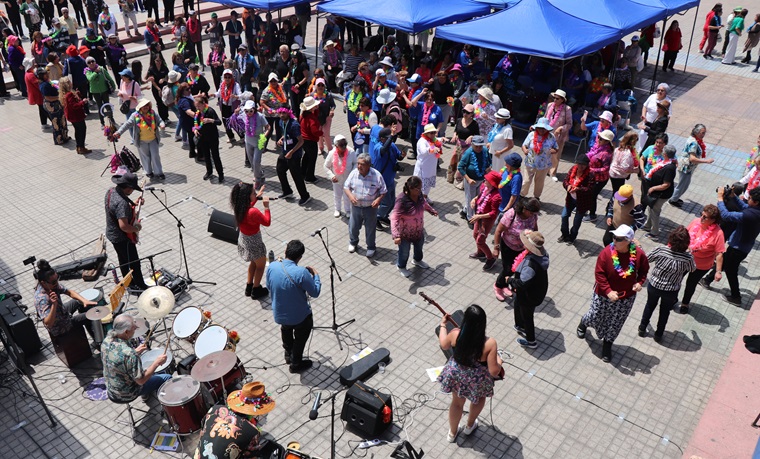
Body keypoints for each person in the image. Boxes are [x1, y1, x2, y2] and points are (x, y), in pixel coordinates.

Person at [577, 225, 649, 363]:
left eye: (619, 239)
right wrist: (608, 291)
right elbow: (599, 273)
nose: (614, 241)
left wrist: (640, 282)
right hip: (603, 294)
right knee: (595, 315)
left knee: (616, 322)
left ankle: (607, 345)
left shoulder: (639, 255)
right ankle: (583, 323)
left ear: (628, 241)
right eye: (614, 237)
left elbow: (644, 271)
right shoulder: (606, 253)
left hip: (626, 297)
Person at [437, 304, 503, 443]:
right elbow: (494, 370)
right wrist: (499, 361)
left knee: (456, 403)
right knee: (478, 399)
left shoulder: (456, 333)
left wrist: (443, 325)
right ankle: (469, 425)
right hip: (477, 379)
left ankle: (452, 433)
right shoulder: (489, 344)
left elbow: (444, 344)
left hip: (457, 374)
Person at [266, 239, 321, 373]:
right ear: (300, 257)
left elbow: (269, 286)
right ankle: (295, 363)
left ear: (285, 251)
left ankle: (288, 354)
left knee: (286, 329)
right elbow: (315, 292)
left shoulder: (272, 266)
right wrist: (316, 275)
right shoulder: (302, 272)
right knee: (302, 334)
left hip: (279, 314)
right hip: (299, 317)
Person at [702, 187, 760, 305]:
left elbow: (726, 215)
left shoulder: (750, 215)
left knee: (731, 270)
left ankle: (736, 297)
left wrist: (720, 199)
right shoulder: (756, 210)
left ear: (756, 202)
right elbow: (745, 207)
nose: (747, 199)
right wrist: (733, 196)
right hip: (743, 246)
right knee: (724, 262)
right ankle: (707, 280)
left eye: (749, 198)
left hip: (738, 248)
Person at [194, 382, 283, 458]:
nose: (265, 416)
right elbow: (252, 456)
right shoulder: (252, 431)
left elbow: (203, 431)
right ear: (255, 412)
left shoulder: (215, 409)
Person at [637, 226, 695, 342]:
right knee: (664, 311)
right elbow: (692, 269)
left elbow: (645, 258)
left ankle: (642, 327)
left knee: (650, 305)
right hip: (671, 290)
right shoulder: (687, 258)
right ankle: (659, 334)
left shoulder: (661, 250)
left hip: (654, 285)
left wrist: (639, 246)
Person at [101, 314, 170, 402]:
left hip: (112, 388)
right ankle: (167, 405)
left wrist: (136, 351)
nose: (136, 328)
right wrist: (157, 363)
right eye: (134, 328)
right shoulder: (130, 355)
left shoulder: (106, 341)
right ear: (126, 332)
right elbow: (140, 381)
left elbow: (118, 358)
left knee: (144, 369)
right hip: (126, 394)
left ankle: (146, 394)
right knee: (166, 377)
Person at [105, 172, 150, 291]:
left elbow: (117, 210)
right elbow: (124, 226)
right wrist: (136, 228)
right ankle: (141, 286)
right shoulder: (122, 203)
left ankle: (128, 282)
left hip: (112, 234)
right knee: (134, 262)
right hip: (122, 238)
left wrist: (133, 204)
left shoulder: (111, 191)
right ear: (128, 187)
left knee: (123, 260)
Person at [34, 259, 96, 341]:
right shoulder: (42, 299)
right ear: (43, 283)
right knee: (91, 315)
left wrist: (84, 300)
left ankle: (82, 312)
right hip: (60, 326)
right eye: (53, 282)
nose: (56, 283)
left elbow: (69, 292)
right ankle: (97, 341)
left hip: (62, 312)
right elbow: (48, 323)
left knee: (79, 301)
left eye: (57, 279)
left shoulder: (52, 285)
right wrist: (54, 305)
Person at [492, 198, 540, 301]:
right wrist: (496, 248)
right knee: (508, 269)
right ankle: (498, 286)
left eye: (534, 213)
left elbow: (535, 228)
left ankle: (505, 285)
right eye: (531, 212)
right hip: (508, 246)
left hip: (523, 248)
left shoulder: (533, 216)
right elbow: (498, 231)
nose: (532, 215)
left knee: (517, 269)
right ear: (524, 209)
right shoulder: (511, 214)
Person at [508, 230, 550, 349]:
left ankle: (531, 341)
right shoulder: (543, 254)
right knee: (517, 304)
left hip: (529, 295)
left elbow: (522, 283)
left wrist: (509, 281)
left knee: (527, 316)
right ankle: (520, 325)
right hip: (536, 290)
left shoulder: (530, 264)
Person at [679, 205, 725, 314]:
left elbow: (719, 254)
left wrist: (718, 271)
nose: (702, 218)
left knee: (691, 284)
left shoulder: (718, 234)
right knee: (677, 279)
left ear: (713, 220)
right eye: (702, 215)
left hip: (701, 265)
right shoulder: (696, 222)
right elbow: (683, 235)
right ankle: (672, 299)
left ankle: (685, 303)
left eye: (705, 217)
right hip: (685, 259)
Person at [391, 176, 438, 278]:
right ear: (410, 188)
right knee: (404, 251)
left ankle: (417, 260)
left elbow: (423, 203)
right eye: (417, 189)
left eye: (420, 188)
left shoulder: (419, 194)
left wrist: (431, 210)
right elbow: (394, 218)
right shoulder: (401, 200)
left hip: (418, 230)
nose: (420, 190)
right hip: (404, 233)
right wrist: (396, 235)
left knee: (419, 247)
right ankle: (401, 266)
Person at [230, 182, 271, 299]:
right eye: (253, 193)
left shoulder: (239, 207)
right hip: (255, 241)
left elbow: (251, 204)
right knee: (261, 265)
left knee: (253, 262)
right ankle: (256, 289)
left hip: (244, 239)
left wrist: (259, 195)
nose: (255, 194)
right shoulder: (253, 212)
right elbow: (267, 222)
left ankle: (249, 286)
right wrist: (266, 207)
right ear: (247, 196)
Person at [344, 152, 387, 257]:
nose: (359, 166)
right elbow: (346, 186)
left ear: (368, 165)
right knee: (353, 227)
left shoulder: (376, 175)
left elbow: (384, 191)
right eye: (358, 163)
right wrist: (350, 196)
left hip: (370, 208)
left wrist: (378, 200)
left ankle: (371, 247)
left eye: (362, 164)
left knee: (370, 229)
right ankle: (353, 243)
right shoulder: (354, 173)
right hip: (356, 207)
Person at [114, 99, 166, 179]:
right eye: (143, 106)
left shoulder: (153, 113)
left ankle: (159, 173)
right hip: (141, 141)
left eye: (147, 105)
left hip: (153, 139)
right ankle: (148, 172)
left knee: (155, 156)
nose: (146, 107)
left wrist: (162, 125)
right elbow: (127, 124)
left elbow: (160, 121)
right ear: (140, 107)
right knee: (145, 157)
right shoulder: (135, 115)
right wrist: (119, 132)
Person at [669, 124, 715, 207]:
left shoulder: (693, 139)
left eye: (704, 133)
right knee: (683, 185)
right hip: (686, 167)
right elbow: (692, 159)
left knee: (684, 184)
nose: (703, 135)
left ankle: (675, 197)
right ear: (696, 132)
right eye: (702, 133)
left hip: (687, 166)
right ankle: (673, 199)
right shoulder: (693, 143)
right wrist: (706, 161)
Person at [371, 122, 404, 228]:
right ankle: (376, 218)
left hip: (390, 179)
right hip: (381, 181)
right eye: (388, 137)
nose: (390, 139)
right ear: (382, 139)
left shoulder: (392, 145)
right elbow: (383, 150)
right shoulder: (377, 147)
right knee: (386, 203)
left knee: (392, 202)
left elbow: (398, 157)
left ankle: (383, 216)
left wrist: (402, 156)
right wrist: (392, 136)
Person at [275, 108, 311, 205]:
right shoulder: (281, 122)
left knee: (296, 176)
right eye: (280, 113)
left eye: (284, 113)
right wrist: (281, 139)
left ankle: (305, 196)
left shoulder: (294, 125)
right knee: (280, 169)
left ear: (288, 113)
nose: (282, 115)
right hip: (285, 151)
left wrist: (291, 152)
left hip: (294, 154)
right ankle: (287, 191)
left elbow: (301, 141)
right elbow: (285, 134)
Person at [642, 145, 678, 239]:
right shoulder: (666, 162)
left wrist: (653, 188)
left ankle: (654, 233)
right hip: (658, 192)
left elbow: (666, 184)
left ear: (665, 154)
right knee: (651, 208)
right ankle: (647, 226)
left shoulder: (669, 168)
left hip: (662, 194)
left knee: (655, 212)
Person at [469, 171, 502, 271]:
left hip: (486, 221)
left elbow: (493, 213)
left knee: (480, 240)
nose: (484, 181)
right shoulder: (484, 187)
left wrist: (480, 216)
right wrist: (474, 199)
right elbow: (480, 197)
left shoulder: (496, 197)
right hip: (478, 217)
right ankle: (480, 253)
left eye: (487, 180)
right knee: (475, 234)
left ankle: (490, 258)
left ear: (492, 183)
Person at [559, 154, 595, 244]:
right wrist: (567, 186)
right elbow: (565, 181)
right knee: (564, 216)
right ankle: (564, 235)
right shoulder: (573, 169)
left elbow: (590, 189)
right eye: (579, 164)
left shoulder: (590, 174)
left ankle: (572, 237)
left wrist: (578, 189)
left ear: (587, 165)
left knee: (577, 221)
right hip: (570, 199)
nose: (580, 166)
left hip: (582, 202)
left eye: (583, 164)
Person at [237, 100, 271, 189]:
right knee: (252, 162)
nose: (248, 113)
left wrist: (264, 136)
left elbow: (268, 127)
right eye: (246, 111)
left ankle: (257, 179)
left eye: (251, 111)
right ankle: (260, 174)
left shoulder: (260, 116)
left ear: (254, 110)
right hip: (248, 141)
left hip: (258, 142)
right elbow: (235, 117)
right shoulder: (244, 115)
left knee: (256, 161)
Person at [521, 118, 558, 200]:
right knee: (526, 181)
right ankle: (522, 195)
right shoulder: (531, 135)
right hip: (530, 162)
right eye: (540, 128)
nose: (541, 130)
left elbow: (556, 148)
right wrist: (525, 150)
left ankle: (536, 197)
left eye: (543, 128)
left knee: (539, 182)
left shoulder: (551, 137)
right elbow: (524, 145)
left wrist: (554, 150)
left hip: (544, 164)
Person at [458, 135, 491, 221]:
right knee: (470, 198)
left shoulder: (485, 151)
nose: (479, 148)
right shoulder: (468, 153)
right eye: (476, 146)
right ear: (472, 144)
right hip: (471, 180)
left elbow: (489, 162)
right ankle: (470, 218)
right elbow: (460, 167)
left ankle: (465, 210)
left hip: (482, 180)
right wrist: (468, 179)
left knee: (478, 198)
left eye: (480, 146)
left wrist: (489, 168)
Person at [324, 134, 358, 218]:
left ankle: (348, 211)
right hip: (337, 179)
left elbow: (355, 163)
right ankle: (337, 209)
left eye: (345, 144)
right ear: (336, 146)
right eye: (341, 145)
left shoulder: (351, 151)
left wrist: (352, 174)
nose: (344, 146)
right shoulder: (332, 153)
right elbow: (325, 166)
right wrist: (331, 176)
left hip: (348, 179)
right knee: (337, 195)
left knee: (347, 196)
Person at [193, 95, 224, 183]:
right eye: (196, 106)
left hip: (212, 137)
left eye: (198, 106)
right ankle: (209, 172)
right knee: (206, 156)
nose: (197, 108)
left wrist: (211, 120)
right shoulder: (198, 112)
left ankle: (221, 174)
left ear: (203, 104)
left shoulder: (210, 111)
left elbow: (219, 122)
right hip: (203, 137)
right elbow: (195, 124)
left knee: (215, 156)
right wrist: (195, 130)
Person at [447, 103, 479, 185]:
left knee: (463, 162)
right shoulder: (459, 120)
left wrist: (471, 136)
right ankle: (450, 177)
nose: (465, 114)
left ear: (472, 114)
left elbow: (477, 135)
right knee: (454, 159)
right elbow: (456, 130)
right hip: (459, 144)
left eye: (467, 113)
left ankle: (460, 180)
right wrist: (454, 136)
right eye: (464, 111)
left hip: (467, 146)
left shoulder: (475, 124)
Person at [38, 67, 70, 145]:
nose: (47, 74)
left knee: (62, 120)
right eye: (45, 74)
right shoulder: (44, 85)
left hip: (58, 104)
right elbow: (48, 97)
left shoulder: (49, 82)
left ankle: (65, 136)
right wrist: (59, 97)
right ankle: (59, 139)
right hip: (52, 105)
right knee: (56, 123)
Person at [59, 76, 91, 154]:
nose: (71, 83)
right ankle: (81, 147)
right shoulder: (69, 94)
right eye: (69, 82)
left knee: (77, 130)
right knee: (82, 130)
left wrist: (77, 95)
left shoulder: (65, 94)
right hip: (76, 116)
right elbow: (75, 106)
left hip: (72, 116)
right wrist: (83, 102)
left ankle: (78, 146)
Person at [546, 89, 572, 180]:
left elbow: (569, 124)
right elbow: (546, 118)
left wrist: (561, 128)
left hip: (559, 136)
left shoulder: (567, 109)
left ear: (562, 100)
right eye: (554, 98)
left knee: (556, 154)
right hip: (547, 133)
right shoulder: (550, 106)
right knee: (546, 151)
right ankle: (545, 169)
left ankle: (553, 173)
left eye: (557, 99)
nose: (555, 100)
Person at [637, 83, 672, 151]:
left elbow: (657, 132)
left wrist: (646, 128)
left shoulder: (663, 118)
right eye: (658, 90)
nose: (659, 91)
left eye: (662, 90)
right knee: (642, 135)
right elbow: (645, 106)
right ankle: (640, 150)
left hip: (655, 131)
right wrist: (645, 121)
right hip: (650, 123)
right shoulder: (652, 96)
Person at [415, 123, 443, 199]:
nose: (434, 134)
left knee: (428, 184)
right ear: (426, 133)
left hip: (431, 167)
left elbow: (438, 141)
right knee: (420, 184)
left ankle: (425, 197)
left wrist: (442, 139)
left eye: (434, 132)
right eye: (431, 133)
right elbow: (424, 151)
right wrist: (433, 150)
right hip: (423, 168)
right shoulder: (422, 141)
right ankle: (419, 200)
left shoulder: (432, 139)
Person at [298, 95, 322, 184]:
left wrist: (316, 109)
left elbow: (315, 114)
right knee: (312, 159)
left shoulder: (303, 115)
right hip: (310, 140)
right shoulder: (311, 119)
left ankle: (303, 173)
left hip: (304, 140)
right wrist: (321, 134)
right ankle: (309, 177)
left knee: (306, 157)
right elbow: (315, 131)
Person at [310, 77, 335, 156]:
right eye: (319, 85)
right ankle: (320, 148)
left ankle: (330, 149)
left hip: (326, 117)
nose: (320, 87)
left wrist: (331, 110)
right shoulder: (312, 95)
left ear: (324, 86)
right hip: (316, 118)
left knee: (326, 134)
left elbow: (333, 105)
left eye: (322, 85)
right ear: (316, 86)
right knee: (319, 133)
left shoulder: (328, 95)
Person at [487, 108, 514, 173]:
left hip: (501, 156)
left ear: (504, 119)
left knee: (499, 172)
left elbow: (511, 145)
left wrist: (500, 152)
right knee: (494, 170)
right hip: (494, 153)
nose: (496, 119)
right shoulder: (497, 125)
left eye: (498, 118)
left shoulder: (507, 130)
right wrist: (490, 143)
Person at [24, 58, 48, 130]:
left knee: (42, 109)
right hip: (38, 95)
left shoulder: (29, 73)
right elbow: (38, 84)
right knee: (44, 109)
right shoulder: (30, 75)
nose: (34, 64)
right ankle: (51, 123)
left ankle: (44, 123)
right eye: (33, 63)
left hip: (37, 94)